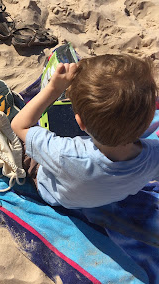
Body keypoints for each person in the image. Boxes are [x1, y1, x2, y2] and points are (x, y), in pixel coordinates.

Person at [10, 54, 159, 209]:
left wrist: (54, 89)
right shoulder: (155, 156)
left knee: (21, 139)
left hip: (53, 193)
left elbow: (19, 125)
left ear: (79, 122)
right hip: (102, 196)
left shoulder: (65, 153)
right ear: (150, 119)